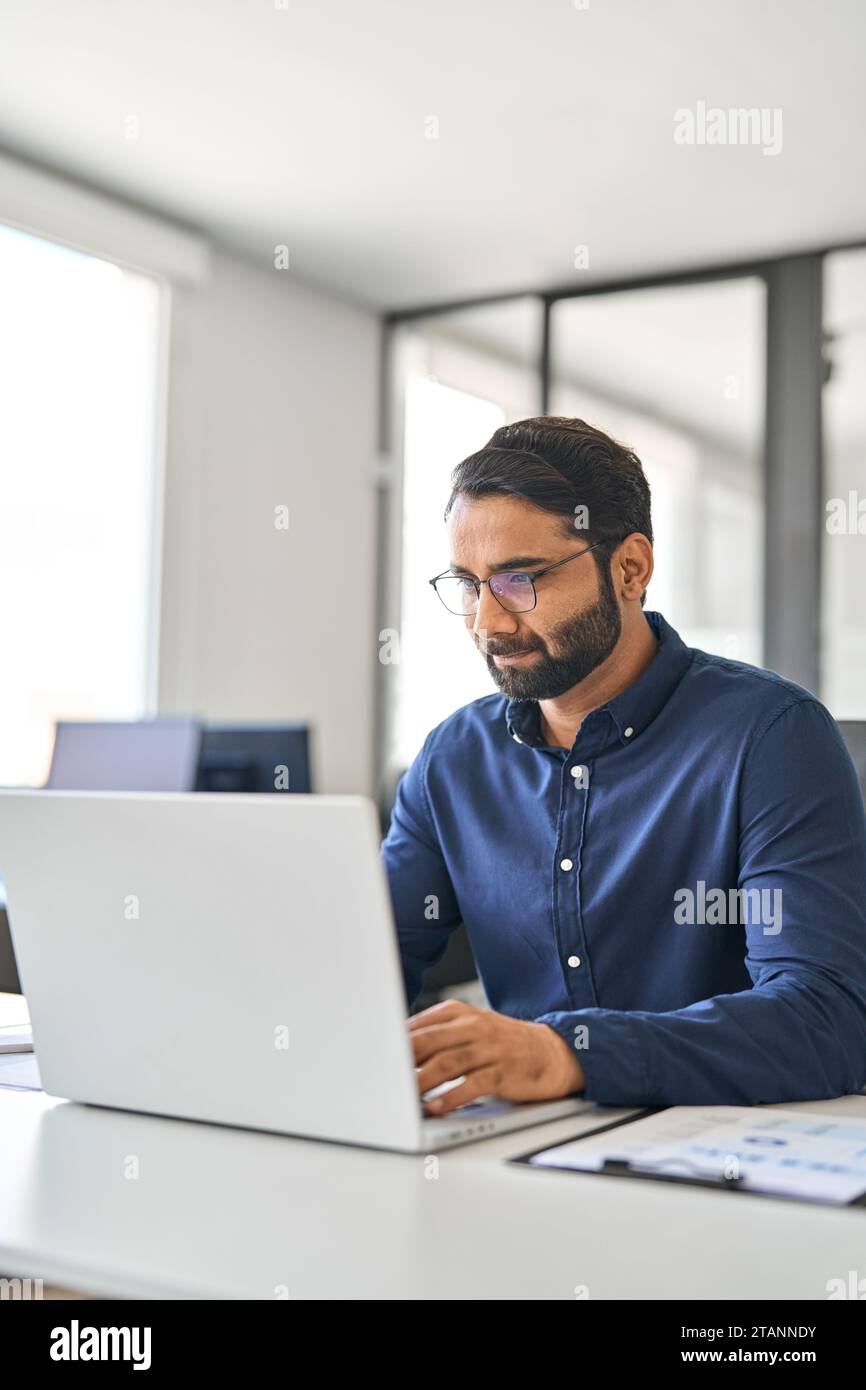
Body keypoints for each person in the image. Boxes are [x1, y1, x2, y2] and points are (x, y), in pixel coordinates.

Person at [380, 416, 866, 1117]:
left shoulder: (770, 738)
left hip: (719, 1157)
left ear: (630, 569)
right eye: (468, 583)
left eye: (520, 580)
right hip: (513, 1153)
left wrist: (567, 1054)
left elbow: (828, 1021)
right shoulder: (453, 761)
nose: (488, 622)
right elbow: (364, 968)